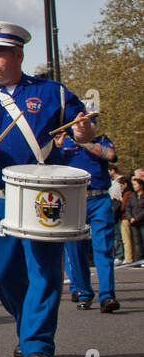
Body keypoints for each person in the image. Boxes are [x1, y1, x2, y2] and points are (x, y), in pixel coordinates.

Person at [0, 21, 96, 357]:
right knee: (3, 272)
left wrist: (83, 130)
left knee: (45, 269)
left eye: (0, 54)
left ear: (18, 54)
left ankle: (38, 342)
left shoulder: (52, 92)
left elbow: (84, 128)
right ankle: (27, 325)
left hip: (40, 193)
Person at [57, 111, 120, 313]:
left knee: (103, 249)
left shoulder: (101, 141)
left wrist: (83, 141)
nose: (83, 127)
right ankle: (84, 292)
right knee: (75, 251)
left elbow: (110, 155)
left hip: (99, 198)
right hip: (73, 199)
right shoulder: (62, 142)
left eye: (87, 124)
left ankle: (107, 295)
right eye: (78, 124)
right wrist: (58, 145)